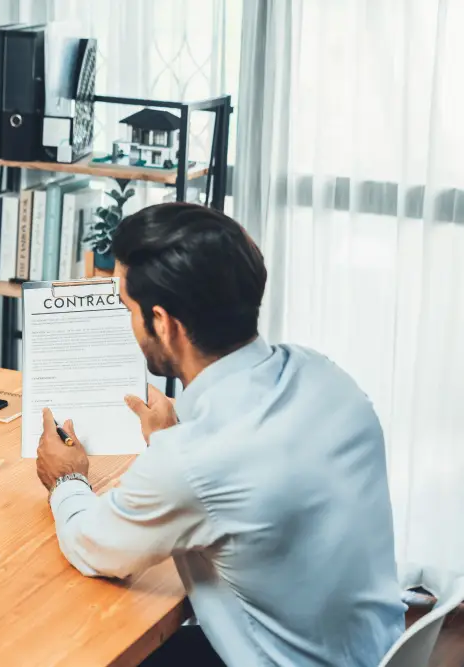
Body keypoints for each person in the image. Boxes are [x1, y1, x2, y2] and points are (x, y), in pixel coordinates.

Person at [35, 203, 404, 666]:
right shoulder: (325, 376)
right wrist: (171, 437)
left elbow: (95, 547)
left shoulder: (193, 461)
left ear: (165, 324)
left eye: (128, 308)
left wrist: (66, 479)